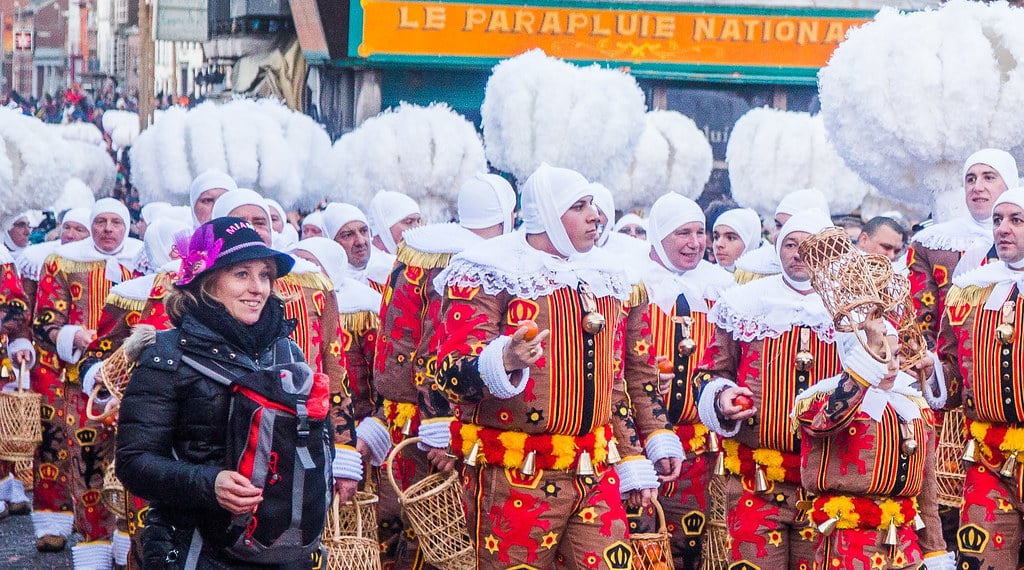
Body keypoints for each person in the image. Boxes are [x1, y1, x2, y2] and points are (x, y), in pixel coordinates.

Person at [429, 164, 665, 569]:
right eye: (579, 206)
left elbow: (615, 381)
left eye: (592, 203)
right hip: (515, 473)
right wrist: (503, 360)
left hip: (594, 470)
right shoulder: (490, 269)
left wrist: (631, 459)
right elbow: (448, 369)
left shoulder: (603, 276)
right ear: (546, 216)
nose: (595, 215)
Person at [116, 217, 360, 569]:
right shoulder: (166, 355)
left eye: (264, 275)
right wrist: (209, 483)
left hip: (282, 551)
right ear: (207, 281)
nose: (258, 288)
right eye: (241, 274)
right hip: (195, 548)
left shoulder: (288, 352)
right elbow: (134, 461)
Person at [370, 173, 516, 568]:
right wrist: (443, 428)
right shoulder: (465, 261)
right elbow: (434, 351)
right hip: (439, 421)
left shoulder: (420, 250)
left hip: (407, 417)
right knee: (441, 537)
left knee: (416, 529)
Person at [695, 209, 841, 569]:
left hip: (825, 481)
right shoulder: (745, 303)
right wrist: (721, 397)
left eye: (809, 246)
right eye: (790, 244)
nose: (797, 254)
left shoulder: (851, 309)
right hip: (754, 478)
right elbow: (710, 372)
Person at [30, 198, 143, 566]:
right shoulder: (63, 261)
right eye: (101, 222)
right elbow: (45, 319)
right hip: (80, 379)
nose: (108, 229)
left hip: (133, 381)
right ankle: (89, 535)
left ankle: (130, 539)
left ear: (127, 226)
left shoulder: (144, 262)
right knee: (83, 456)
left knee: (131, 460)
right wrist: (71, 336)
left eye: (116, 222)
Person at [795, 316, 951, 570]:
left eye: (895, 355)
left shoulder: (912, 405)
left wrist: (935, 551)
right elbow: (825, 423)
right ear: (858, 357)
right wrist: (862, 373)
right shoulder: (822, 399)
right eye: (880, 355)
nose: (891, 366)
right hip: (849, 545)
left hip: (904, 544)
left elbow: (927, 490)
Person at [633, 193, 734, 570]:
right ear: (658, 235)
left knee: (691, 543)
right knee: (643, 541)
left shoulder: (722, 288)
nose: (695, 242)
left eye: (700, 232)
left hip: (700, 446)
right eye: (682, 233)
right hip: (642, 438)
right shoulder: (634, 284)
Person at [937, 187, 1024, 567]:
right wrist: (929, 371)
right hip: (986, 459)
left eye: (1016, 220)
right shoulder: (970, 291)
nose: (1003, 228)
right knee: (980, 560)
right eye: (998, 220)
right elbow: (951, 371)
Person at [908, 149, 1016, 349]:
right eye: (971, 179)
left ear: (1009, 184)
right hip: (953, 370)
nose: (977, 187)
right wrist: (933, 370)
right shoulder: (933, 243)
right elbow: (918, 322)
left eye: (989, 177)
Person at [18, 207, 92, 316]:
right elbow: (26, 306)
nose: (70, 235)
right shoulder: (39, 258)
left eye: (79, 230)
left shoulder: (100, 263)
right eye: (66, 228)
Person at [323, 202, 393, 292]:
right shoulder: (326, 285)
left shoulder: (390, 268)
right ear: (332, 242)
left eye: (363, 231)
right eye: (348, 235)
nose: (360, 241)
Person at [366, 191, 423, 256]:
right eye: (409, 222)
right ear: (384, 227)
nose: (417, 228)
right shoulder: (369, 264)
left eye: (418, 221)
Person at [712, 208, 762, 273]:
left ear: (750, 242)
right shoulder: (706, 277)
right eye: (716, 237)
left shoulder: (768, 279)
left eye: (730, 238)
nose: (718, 244)